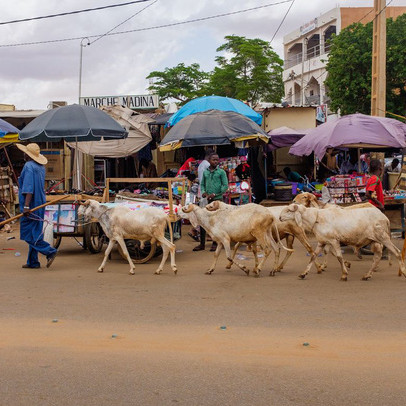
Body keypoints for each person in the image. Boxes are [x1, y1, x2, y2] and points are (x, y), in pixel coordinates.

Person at [16, 143, 57, 269]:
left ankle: (49, 251)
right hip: (40, 203)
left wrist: (27, 206)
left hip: (32, 204)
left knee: (28, 234)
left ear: (27, 154)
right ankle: (33, 262)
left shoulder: (28, 166)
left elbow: (29, 188)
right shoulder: (40, 167)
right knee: (35, 233)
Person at [193, 153, 228, 252]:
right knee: (203, 222)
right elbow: (202, 184)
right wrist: (204, 192)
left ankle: (215, 243)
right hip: (207, 200)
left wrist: (215, 194)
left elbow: (225, 186)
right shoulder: (205, 172)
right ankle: (202, 244)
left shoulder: (221, 172)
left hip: (217, 200)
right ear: (209, 160)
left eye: (217, 160)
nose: (215, 161)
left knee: (215, 222)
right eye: (213, 160)